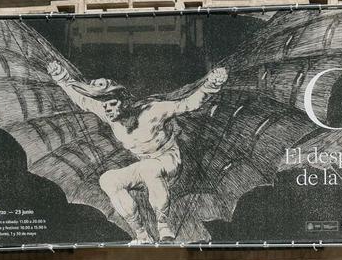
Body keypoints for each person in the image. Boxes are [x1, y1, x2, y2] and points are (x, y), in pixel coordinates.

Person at [47, 61, 228, 243]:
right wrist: (62, 78)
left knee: (149, 168)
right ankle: (141, 234)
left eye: (112, 104)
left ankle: (163, 226)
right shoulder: (110, 115)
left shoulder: (153, 111)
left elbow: (188, 104)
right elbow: (83, 101)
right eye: (104, 106)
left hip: (169, 161)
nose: (107, 109)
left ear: (124, 102)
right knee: (108, 180)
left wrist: (212, 84)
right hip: (144, 166)